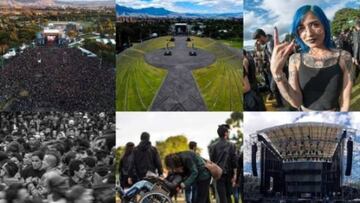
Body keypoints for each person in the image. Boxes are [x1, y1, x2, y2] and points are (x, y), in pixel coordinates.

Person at [270, 5, 353, 111]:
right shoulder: (295, 60)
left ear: (324, 25)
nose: (309, 33)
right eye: (301, 28)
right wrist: (277, 73)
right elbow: (296, 102)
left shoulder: (344, 57)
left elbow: (345, 102)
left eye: (315, 24)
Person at [253, 28, 284, 108]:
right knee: (274, 87)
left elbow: (276, 57)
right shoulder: (268, 43)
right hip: (275, 68)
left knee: (273, 87)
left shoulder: (270, 43)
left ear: (261, 36)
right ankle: (281, 102)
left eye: (258, 40)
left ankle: (280, 104)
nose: (259, 42)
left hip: (278, 68)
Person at [209, 124, 238, 203]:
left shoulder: (212, 146)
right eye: (228, 132)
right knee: (228, 196)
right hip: (229, 174)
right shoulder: (232, 145)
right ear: (225, 133)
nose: (228, 133)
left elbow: (212, 161)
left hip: (218, 174)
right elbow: (234, 161)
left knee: (222, 197)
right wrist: (235, 175)